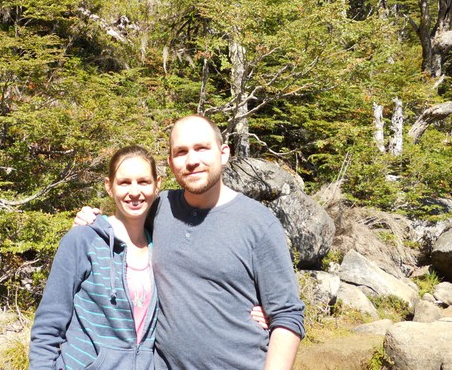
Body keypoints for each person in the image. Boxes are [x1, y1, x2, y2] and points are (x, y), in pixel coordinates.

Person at [77, 115, 305, 370]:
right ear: (171, 162)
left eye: (202, 148)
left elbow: (287, 315)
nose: (192, 160)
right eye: (181, 152)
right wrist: (90, 222)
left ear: (224, 152)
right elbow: (122, 223)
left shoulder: (259, 223)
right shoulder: (160, 207)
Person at [29, 145, 162, 369]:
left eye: (143, 181)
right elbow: (48, 326)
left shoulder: (161, 245)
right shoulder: (83, 240)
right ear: (109, 187)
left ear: (157, 184)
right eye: (124, 182)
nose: (135, 191)